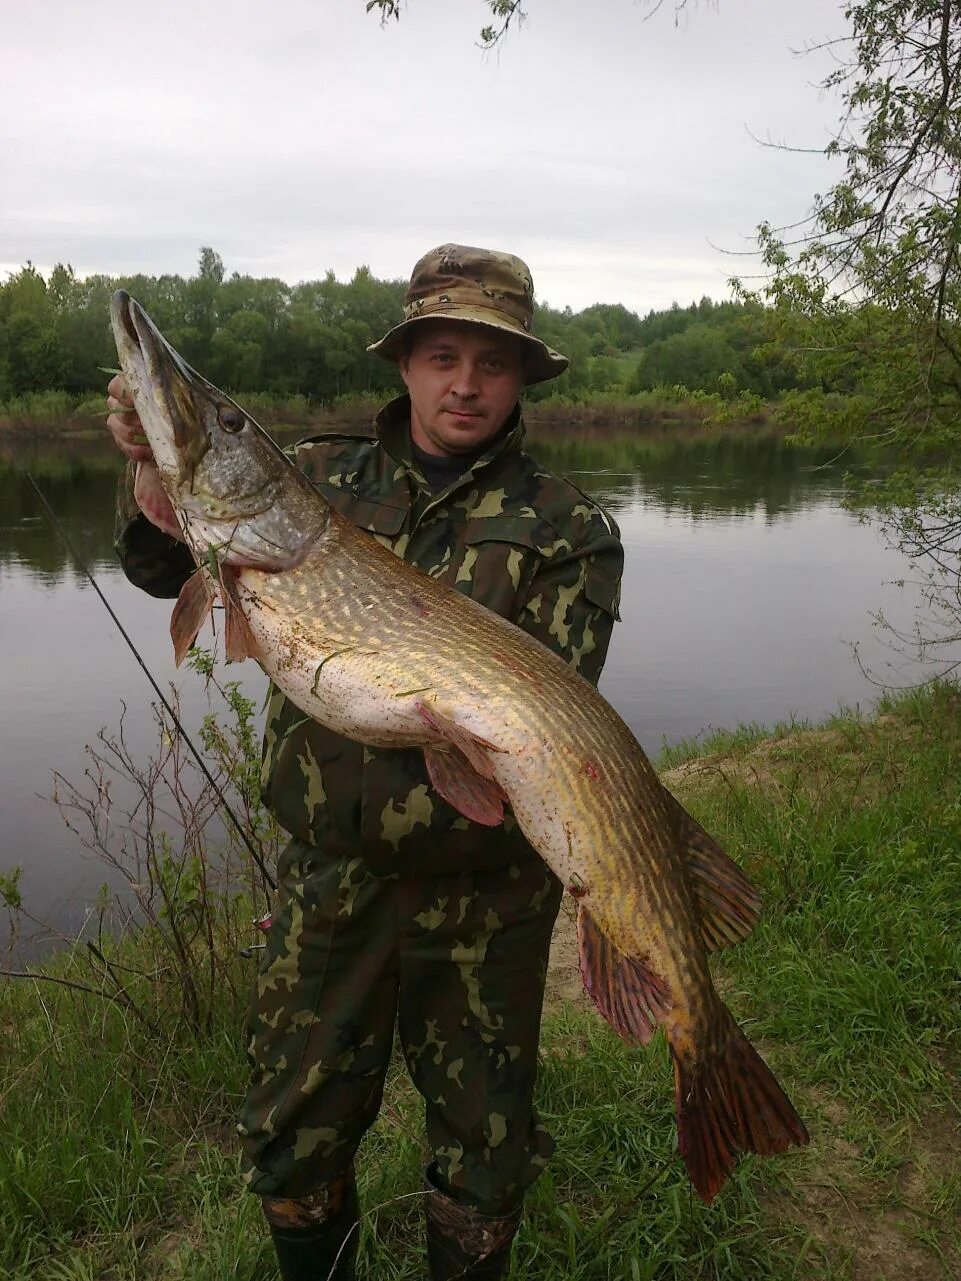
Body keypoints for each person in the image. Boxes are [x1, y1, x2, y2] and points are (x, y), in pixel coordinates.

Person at [107, 244, 624, 1280]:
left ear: (523, 375)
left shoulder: (569, 525)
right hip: (329, 884)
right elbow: (160, 565)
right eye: (442, 355)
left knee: (483, 1157)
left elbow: (547, 709)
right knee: (295, 1139)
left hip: (490, 899)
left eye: (492, 361)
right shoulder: (316, 474)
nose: (465, 383)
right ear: (405, 364)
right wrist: (150, 473)